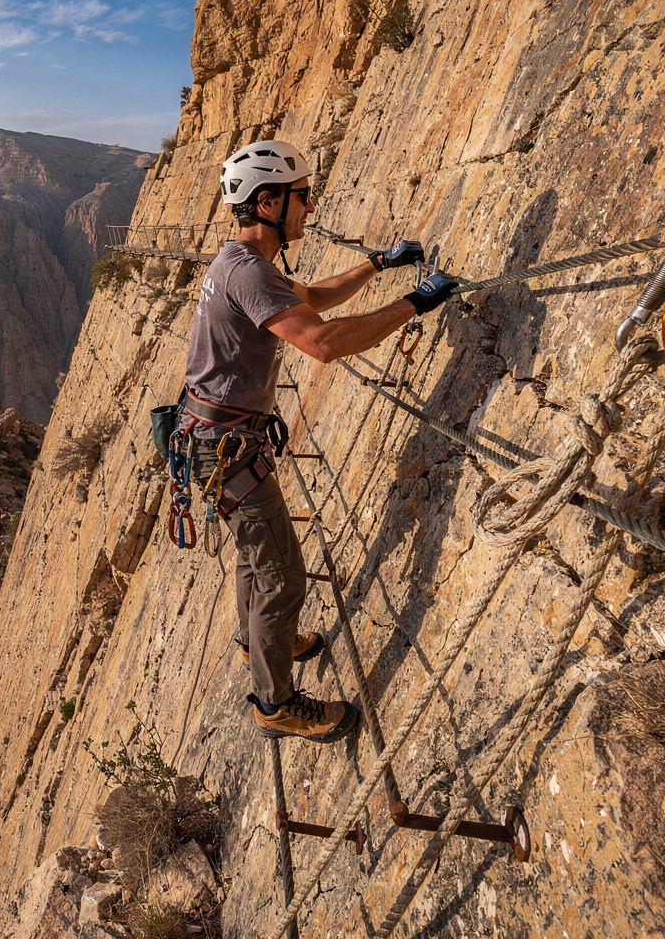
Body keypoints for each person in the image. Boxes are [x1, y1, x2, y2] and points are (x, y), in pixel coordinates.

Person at [180, 139, 460, 743]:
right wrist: (415, 302)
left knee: (256, 557)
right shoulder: (249, 273)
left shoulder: (241, 264)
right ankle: (275, 703)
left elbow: (312, 300)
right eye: (302, 196)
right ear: (269, 200)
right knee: (283, 574)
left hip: (216, 442)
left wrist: (379, 265)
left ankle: (260, 638)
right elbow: (323, 341)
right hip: (228, 449)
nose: (311, 206)